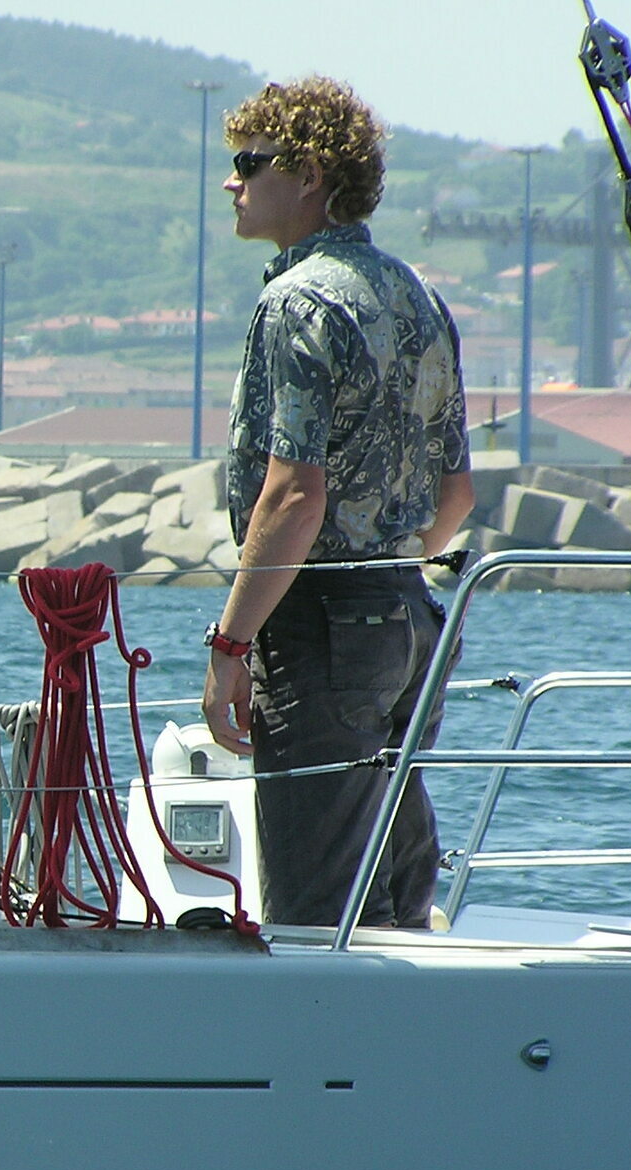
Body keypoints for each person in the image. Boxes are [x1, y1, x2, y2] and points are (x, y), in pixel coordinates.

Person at [201, 77, 473, 928]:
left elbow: (293, 498)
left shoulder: (297, 300)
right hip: (409, 618)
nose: (231, 180)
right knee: (394, 906)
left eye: (250, 162)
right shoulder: (418, 295)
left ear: (310, 175)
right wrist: (384, 571)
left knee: (319, 915)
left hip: (320, 626)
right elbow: (457, 493)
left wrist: (230, 646)